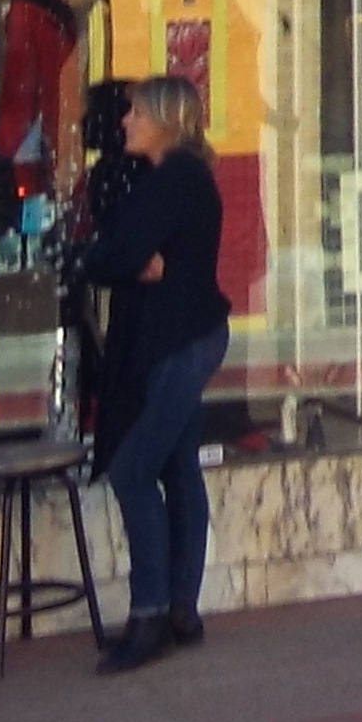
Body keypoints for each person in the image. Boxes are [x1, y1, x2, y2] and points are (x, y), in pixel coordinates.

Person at [88, 75, 229, 674]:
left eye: (136, 114)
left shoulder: (176, 178)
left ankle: (150, 613)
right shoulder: (175, 178)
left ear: (166, 120)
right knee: (175, 465)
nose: (124, 122)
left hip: (179, 342)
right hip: (183, 337)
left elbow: (115, 252)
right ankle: (179, 608)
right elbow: (124, 251)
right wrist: (122, 256)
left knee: (134, 470)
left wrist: (109, 257)